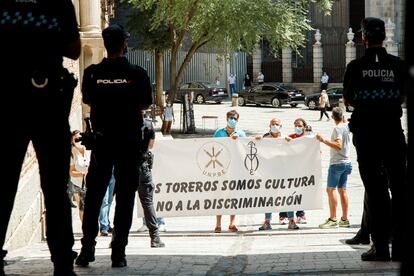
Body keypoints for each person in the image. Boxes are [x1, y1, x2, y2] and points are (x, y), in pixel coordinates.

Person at [0, 1, 81, 275]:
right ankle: (62, 261)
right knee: (57, 188)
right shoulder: (59, 4)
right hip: (46, 99)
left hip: (10, 100)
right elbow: (74, 49)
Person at [75, 24, 155, 268]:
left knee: (95, 196)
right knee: (125, 198)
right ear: (124, 45)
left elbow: (88, 99)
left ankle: (88, 247)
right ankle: (118, 252)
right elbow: (145, 104)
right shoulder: (137, 74)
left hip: (102, 142)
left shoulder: (91, 73)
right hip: (128, 143)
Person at [343, 17, 407, 262]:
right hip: (392, 131)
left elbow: (348, 98)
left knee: (376, 190)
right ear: (383, 36)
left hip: (367, 134)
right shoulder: (397, 65)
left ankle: (380, 247)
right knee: (400, 188)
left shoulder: (356, 67)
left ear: (363, 37)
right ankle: (400, 247)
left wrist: (369, 104)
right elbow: (401, 96)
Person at [257, 118, 299, 231]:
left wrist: (290, 142)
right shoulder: (264, 138)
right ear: (269, 125)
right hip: (269, 174)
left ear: (281, 126)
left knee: (288, 196)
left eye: (277, 124)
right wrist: (257, 140)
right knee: (268, 198)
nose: (275, 126)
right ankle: (267, 221)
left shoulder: (285, 138)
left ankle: (291, 221)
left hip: (284, 173)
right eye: (273, 124)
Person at [316, 107, 352, 229]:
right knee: (343, 190)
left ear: (332, 117)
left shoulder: (337, 128)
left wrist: (323, 140)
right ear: (342, 116)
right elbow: (345, 121)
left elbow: (338, 145)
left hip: (337, 163)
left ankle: (333, 219)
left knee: (330, 190)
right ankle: (344, 219)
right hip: (347, 162)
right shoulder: (346, 126)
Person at [213, 110, 246, 233]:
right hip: (221, 169)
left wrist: (237, 142)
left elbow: (245, 150)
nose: (233, 120)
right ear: (227, 118)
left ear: (238, 120)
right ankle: (218, 224)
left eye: (235, 118)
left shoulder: (241, 133)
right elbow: (213, 147)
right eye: (231, 117)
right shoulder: (219, 133)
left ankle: (232, 223)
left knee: (233, 196)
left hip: (235, 168)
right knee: (219, 196)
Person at [135, 115, 166, 243]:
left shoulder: (121, 121)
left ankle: (117, 239)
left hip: (125, 166)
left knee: (123, 202)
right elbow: (151, 145)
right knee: (148, 203)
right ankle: (155, 238)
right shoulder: (148, 124)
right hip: (142, 166)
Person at [279, 118, 308, 224]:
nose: (297, 128)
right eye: (295, 125)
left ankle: (300, 215)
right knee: (286, 192)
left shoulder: (309, 139)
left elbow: (316, 153)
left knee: (299, 193)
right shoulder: (290, 137)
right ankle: (283, 215)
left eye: (299, 126)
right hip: (289, 170)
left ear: (304, 127)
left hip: (302, 171)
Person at [69, 130, 91, 222]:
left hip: (91, 182)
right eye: (76, 139)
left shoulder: (89, 150)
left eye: (79, 138)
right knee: (83, 208)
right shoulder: (72, 154)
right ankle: (86, 229)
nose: (78, 141)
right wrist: (83, 173)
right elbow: (71, 172)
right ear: (72, 141)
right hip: (78, 185)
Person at [99, 169, 115, 236]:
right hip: (103, 173)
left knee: (109, 201)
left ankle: (107, 224)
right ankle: (104, 226)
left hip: (114, 174)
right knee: (104, 201)